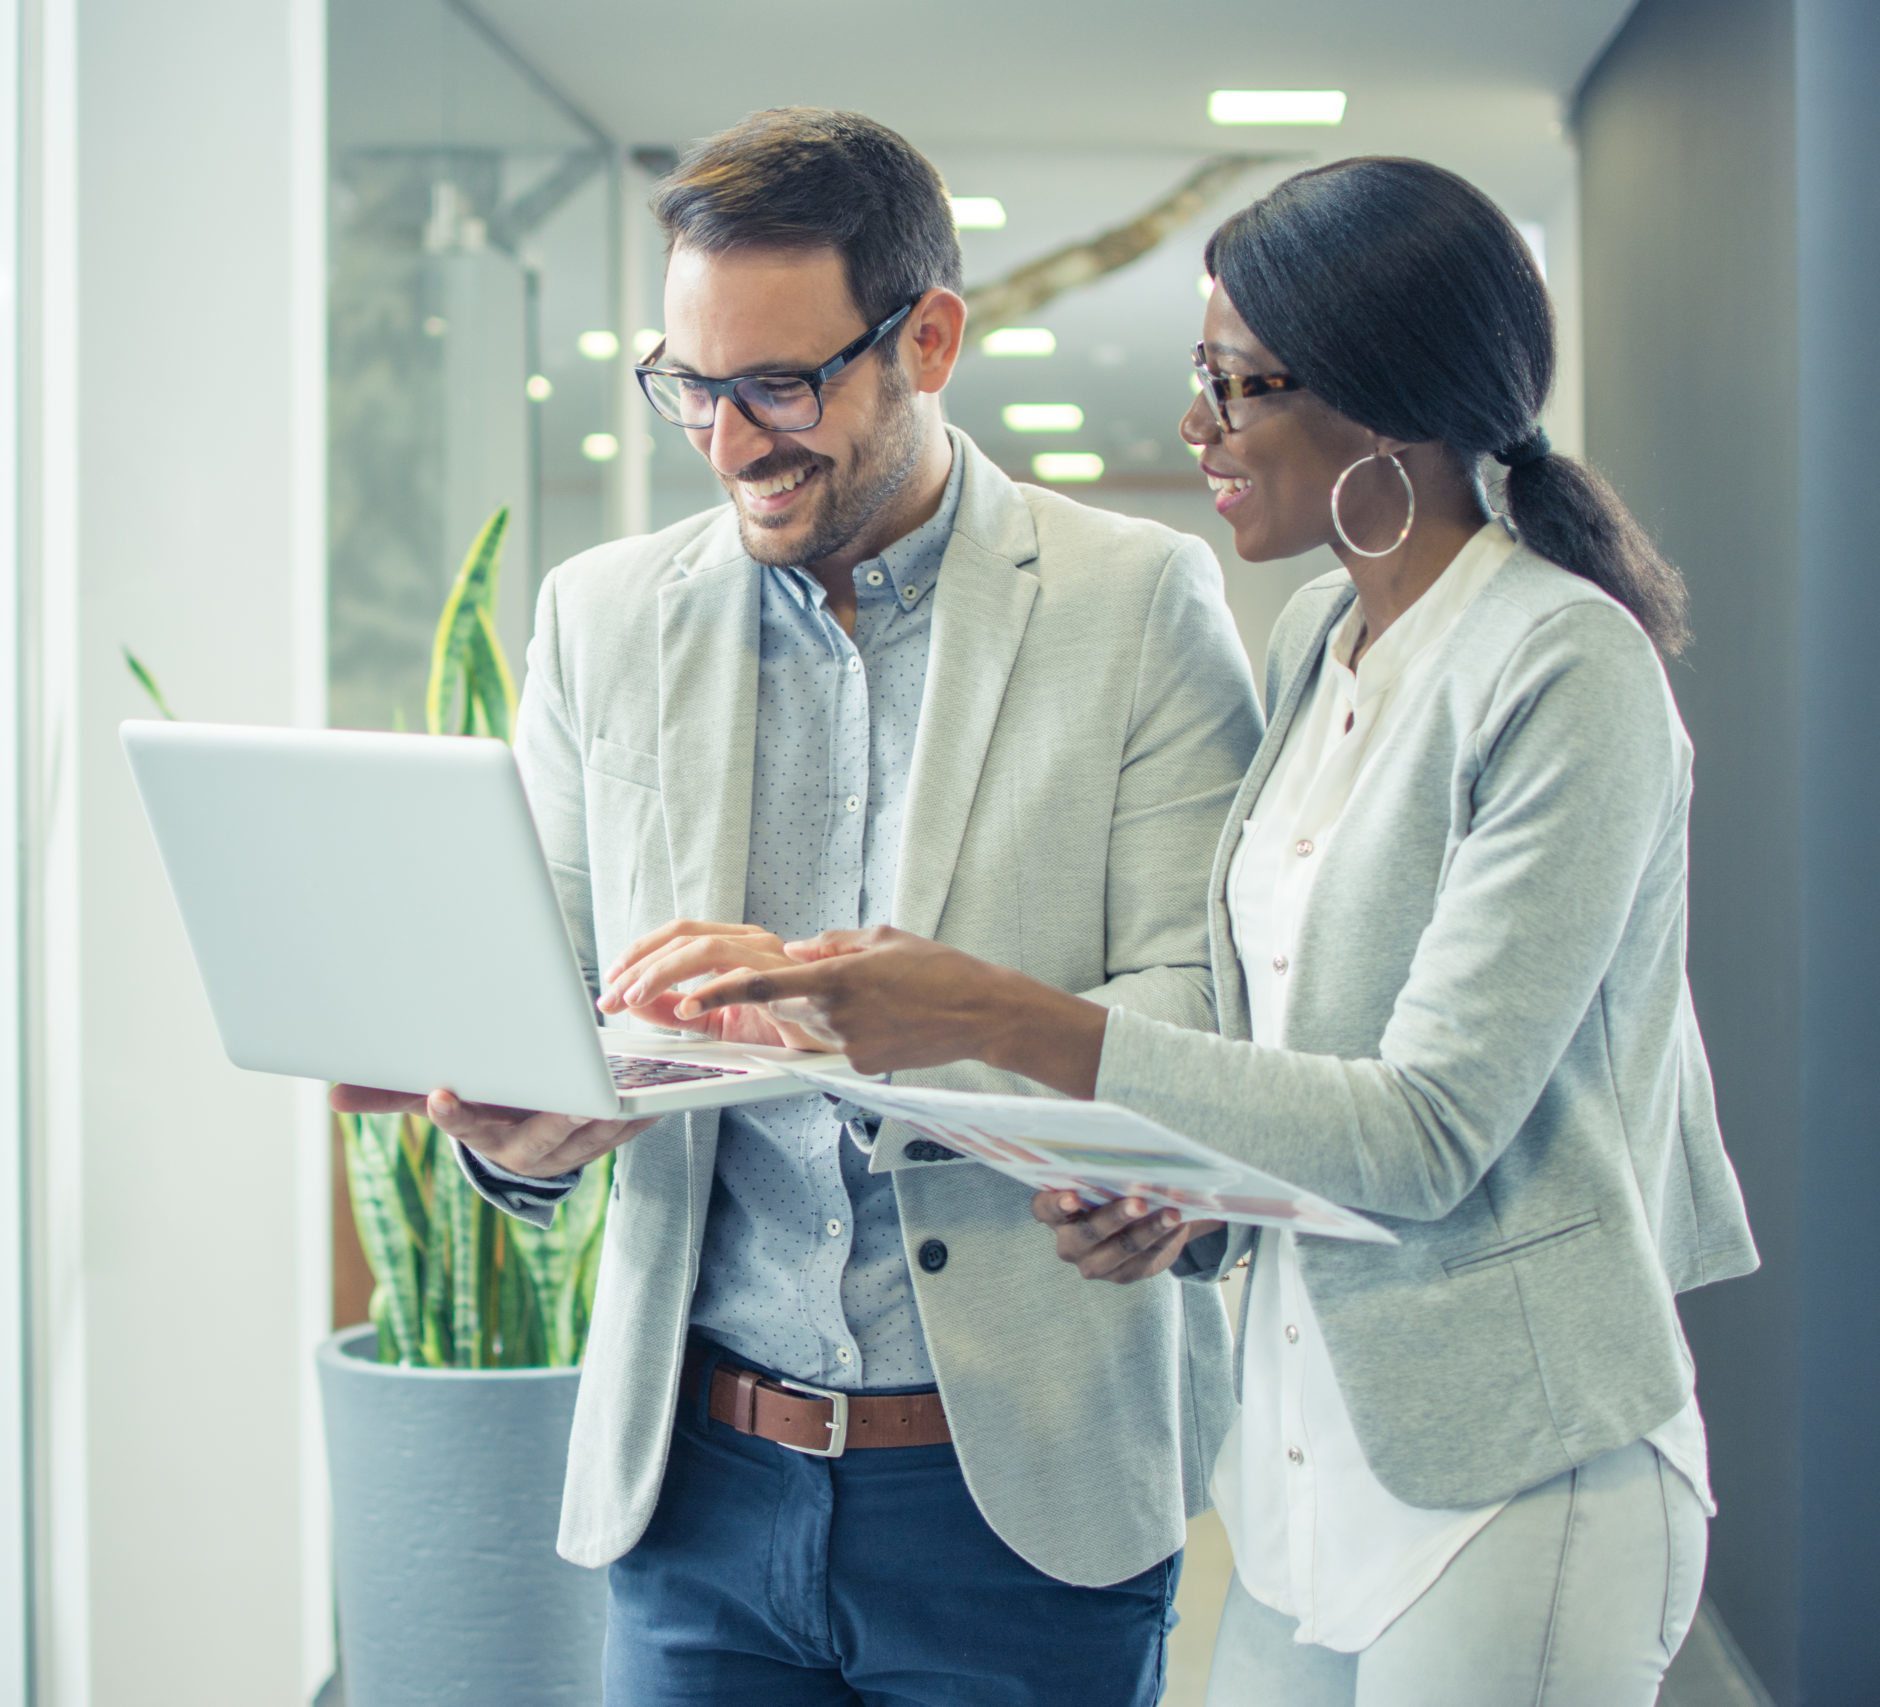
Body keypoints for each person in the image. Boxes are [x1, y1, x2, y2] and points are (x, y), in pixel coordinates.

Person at [663, 157, 1759, 1706]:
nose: (1199, 431)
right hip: (1301, 1473)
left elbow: (1432, 1132)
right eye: (1201, 379)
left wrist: (986, 1010)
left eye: (1239, 387)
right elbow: (1288, 1063)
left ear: (1389, 402)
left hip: (1521, 1464)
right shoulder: (1324, 637)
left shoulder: (1564, 670)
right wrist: (1193, 1209)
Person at [333, 108, 1265, 1704]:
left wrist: (880, 1010)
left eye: (780, 383)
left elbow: (1199, 1009)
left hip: (1017, 1501)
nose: (729, 440)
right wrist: (519, 1137)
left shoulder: (1136, 601)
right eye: (691, 386)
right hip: (695, 1489)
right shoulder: (601, 618)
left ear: (931, 336)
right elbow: (549, 989)